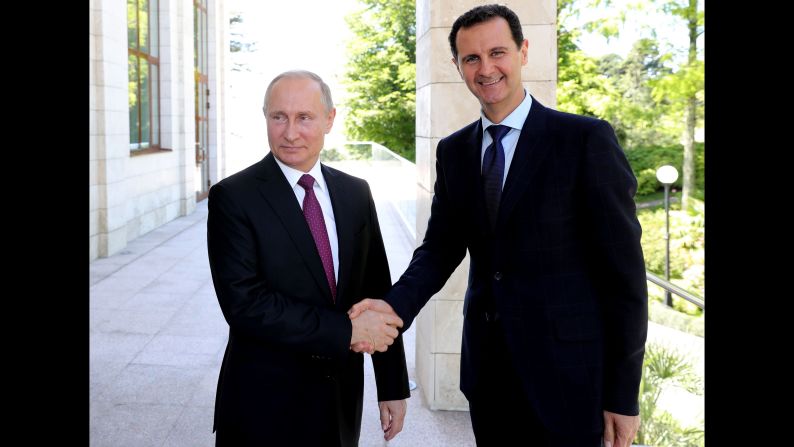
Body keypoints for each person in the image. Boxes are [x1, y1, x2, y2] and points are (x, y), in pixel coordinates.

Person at [350, 4, 648, 447]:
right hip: (488, 374)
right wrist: (393, 308)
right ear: (457, 65)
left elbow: (624, 278)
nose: (486, 68)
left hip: (569, 380)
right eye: (471, 58)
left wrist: (623, 395)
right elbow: (439, 249)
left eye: (497, 52)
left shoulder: (584, 140)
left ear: (523, 51)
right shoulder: (454, 153)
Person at [207, 70, 409, 446]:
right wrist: (346, 332)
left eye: (304, 118)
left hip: (338, 403)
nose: (290, 132)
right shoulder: (233, 197)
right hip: (262, 407)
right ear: (265, 117)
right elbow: (245, 304)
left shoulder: (356, 193)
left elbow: (377, 292)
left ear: (330, 119)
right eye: (278, 117)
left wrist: (392, 385)